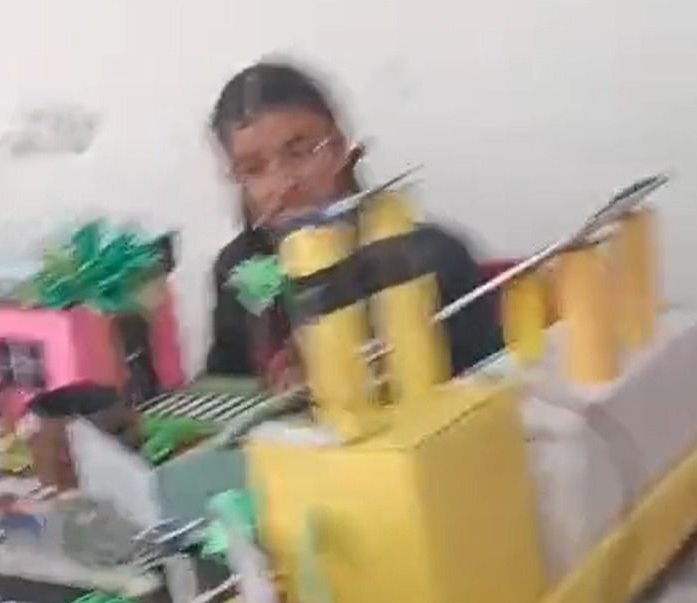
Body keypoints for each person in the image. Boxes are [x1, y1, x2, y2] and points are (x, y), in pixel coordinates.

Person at [204, 61, 504, 390]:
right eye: (253, 169)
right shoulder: (238, 268)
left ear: (338, 148)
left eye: (300, 153)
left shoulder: (428, 258)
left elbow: (494, 389)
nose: (283, 184)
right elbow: (224, 391)